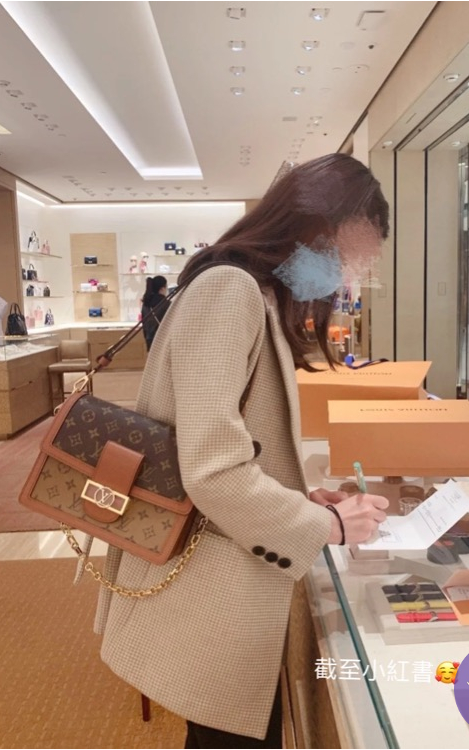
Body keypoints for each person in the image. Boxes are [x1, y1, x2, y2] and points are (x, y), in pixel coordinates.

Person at [95, 154, 390, 748]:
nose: (344, 279)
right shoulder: (230, 290)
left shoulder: (248, 292)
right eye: (346, 258)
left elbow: (230, 444)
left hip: (221, 563)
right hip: (209, 577)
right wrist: (326, 524)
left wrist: (302, 500)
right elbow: (213, 469)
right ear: (314, 229)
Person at [140, 275, 169, 351]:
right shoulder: (166, 304)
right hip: (163, 340)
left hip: (149, 339)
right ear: (162, 288)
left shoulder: (146, 304)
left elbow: (144, 324)